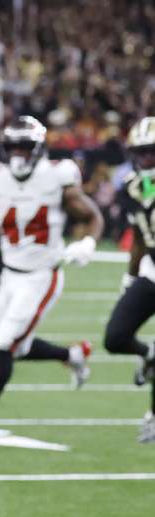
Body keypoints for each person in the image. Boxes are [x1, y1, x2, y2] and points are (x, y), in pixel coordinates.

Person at [0, 116, 101, 431]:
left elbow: (93, 215)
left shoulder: (57, 175)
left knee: (4, 342)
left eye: (25, 146)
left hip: (42, 276)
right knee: (15, 345)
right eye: (12, 147)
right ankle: (74, 354)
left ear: (39, 148)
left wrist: (88, 242)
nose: (18, 153)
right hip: (10, 274)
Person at [104, 116, 155, 442]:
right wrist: (129, 276)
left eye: (152, 151)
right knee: (115, 337)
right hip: (152, 272)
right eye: (142, 152)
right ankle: (149, 354)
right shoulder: (133, 187)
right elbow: (138, 237)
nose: (147, 158)